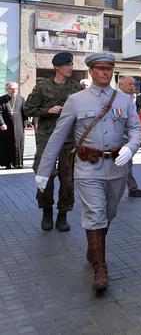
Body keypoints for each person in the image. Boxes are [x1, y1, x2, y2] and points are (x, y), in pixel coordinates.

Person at [35, 52, 141, 291]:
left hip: (116, 167)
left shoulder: (124, 100)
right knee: (95, 212)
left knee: (109, 213)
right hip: (87, 167)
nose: (104, 72)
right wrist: (44, 170)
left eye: (108, 69)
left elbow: (136, 129)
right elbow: (58, 136)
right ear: (91, 71)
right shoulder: (76, 100)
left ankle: (94, 246)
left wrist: (131, 147)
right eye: (100, 68)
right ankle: (100, 267)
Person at [25, 52, 82, 231]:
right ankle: (46, 212)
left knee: (68, 179)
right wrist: (47, 110)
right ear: (57, 67)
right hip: (46, 139)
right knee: (45, 176)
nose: (71, 68)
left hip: (68, 139)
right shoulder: (42, 86)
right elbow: (28, 109)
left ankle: (63, 214)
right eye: (67, 65)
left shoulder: (76, 88)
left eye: (72, 65)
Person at [118, 76, 141, 198]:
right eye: (130, 84)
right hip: (120, 138)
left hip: (128, 138)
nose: (133, 86)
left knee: (127, 165)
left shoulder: (130, 98)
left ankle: (132, 188)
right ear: (121, 85)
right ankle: (130, 189)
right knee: (124, 165)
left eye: (133, 84)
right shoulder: (117, 99)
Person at [0, 82, 28, 169]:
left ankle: (18, 164)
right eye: (11, 89)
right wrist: (2, 123)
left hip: (19, 126)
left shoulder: (21, 98)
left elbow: (25, 113)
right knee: (6, 145)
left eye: (15, 89)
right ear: (7, 89)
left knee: (18, 145)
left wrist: (25, 124)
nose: (14, 91)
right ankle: (7, 164)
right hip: (5, 126)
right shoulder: (1, 99)